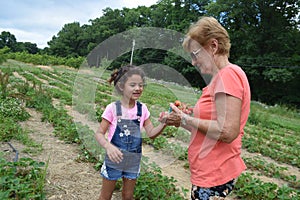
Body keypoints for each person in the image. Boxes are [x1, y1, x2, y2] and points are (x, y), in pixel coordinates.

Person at [164, 16, 251, 200]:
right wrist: (181, 120)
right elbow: (211, 127)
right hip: (211, 171)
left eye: (195, 54)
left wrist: (186, 118)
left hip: (214, 172)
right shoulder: (224, 77)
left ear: (213, 46)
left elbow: (226, 131)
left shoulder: (227, 76)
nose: (193, 62)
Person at [95, 65, 166, 200]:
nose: (138, 88)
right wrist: (108, 146)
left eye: (140, 85)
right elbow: (99, 133)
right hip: (114, 159)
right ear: (122, 86)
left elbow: (151, 133)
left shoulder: (142, 109)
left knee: (128, 196)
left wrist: (164, 123)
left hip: (133, 160)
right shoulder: (113, 108)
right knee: (105, 196)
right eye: (132, 85)